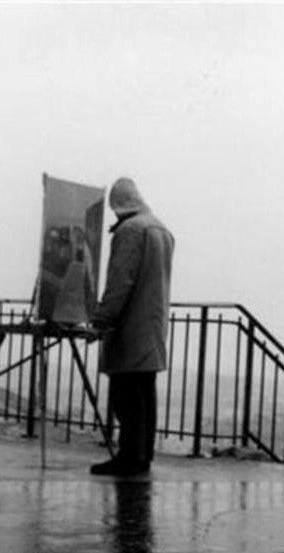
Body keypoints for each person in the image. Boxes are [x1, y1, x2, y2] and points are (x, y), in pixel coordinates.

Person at [89, 177, 174, 476]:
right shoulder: (161, 229)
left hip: (130, 327)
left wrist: (100, 320)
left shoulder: (130, 231)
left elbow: (120, 282)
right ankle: (142, 456)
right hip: (152, 325)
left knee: (125, 396)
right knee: (144, 395)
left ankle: (128, 457)